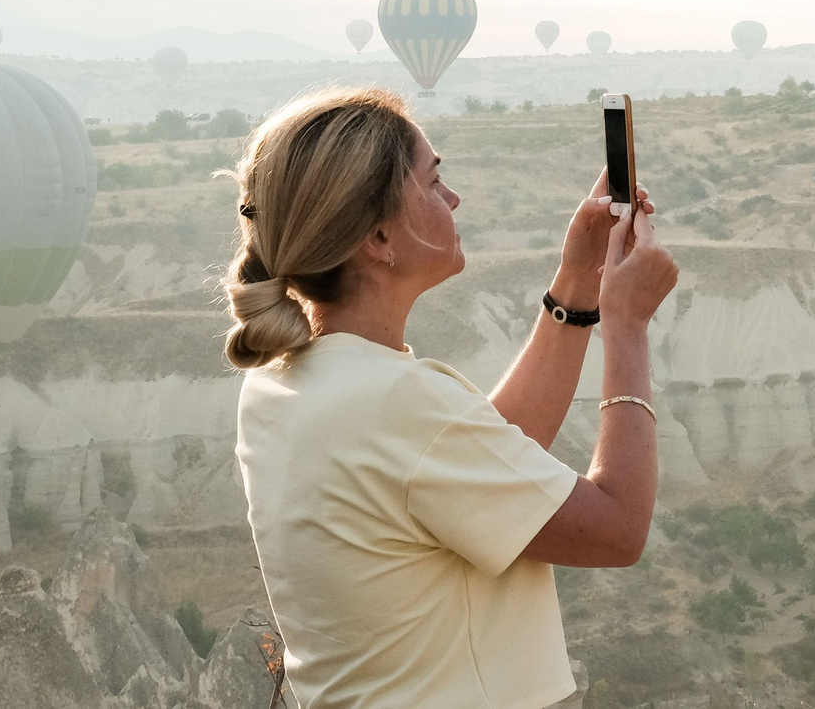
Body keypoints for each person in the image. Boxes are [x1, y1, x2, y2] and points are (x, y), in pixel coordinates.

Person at [223, 87, 679, 709]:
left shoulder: (284, 384)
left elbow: (476, 464)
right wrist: (627, 328)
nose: (453, 197)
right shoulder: (393, 401)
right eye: (433, 181)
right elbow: (617, 531)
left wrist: (578, 285)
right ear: (379, 237)